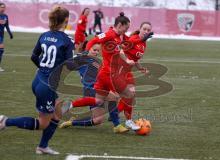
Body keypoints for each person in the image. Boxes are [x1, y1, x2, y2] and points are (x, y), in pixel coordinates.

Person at [0, 6, 74, 155]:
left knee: (57, 114)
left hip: (39, 80)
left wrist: (44, 69)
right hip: (47, 87)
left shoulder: (44, 35)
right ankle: (5, 121)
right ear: (66, 20)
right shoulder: (67, 40)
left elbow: (34, 57)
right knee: (42, 123)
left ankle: (43, 146)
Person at [61, 12, 137, 132]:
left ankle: (71, 112)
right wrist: (86, 54)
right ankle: (126, 122)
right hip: (104, 77)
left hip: (102, 77)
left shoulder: (116, 38)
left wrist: (127, 60)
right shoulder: (108, 34)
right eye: (126, 28)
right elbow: (93, 41)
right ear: (121, 25)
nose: (126, 30)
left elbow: (119, 51)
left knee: (98, 116)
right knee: (127, 94)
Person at [59, 44, 128, 133]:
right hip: (90, 88)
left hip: (99, 87)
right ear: (89, 49)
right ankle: (117, 125)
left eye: (98, 51)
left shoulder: (97, 61)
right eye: (94, 50)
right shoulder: (82, 57)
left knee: (97, 120)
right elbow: (67, 63)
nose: (96, 52)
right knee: (113, 97)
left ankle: (71, 122)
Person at [116, 22, 153, 128]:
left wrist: (141, 68)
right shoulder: (133, 39)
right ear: (140, 29)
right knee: (128, 94)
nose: (146, 31)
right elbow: (120, 51)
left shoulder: (143, 43)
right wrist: (127, 60)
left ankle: (127, 120)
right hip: (119, 69)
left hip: (127, 72)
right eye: (144, 29)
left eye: (148, 30)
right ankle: (117, 114)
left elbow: (135, 59)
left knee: (131, 95)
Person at [0, 2, 13, 72]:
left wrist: (10, 33)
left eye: (4, 7)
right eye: (2, 7)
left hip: (1, 36)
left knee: (1, 51)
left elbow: (7, 26)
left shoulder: (5, 16)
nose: (3, 8)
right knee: (1, 50)